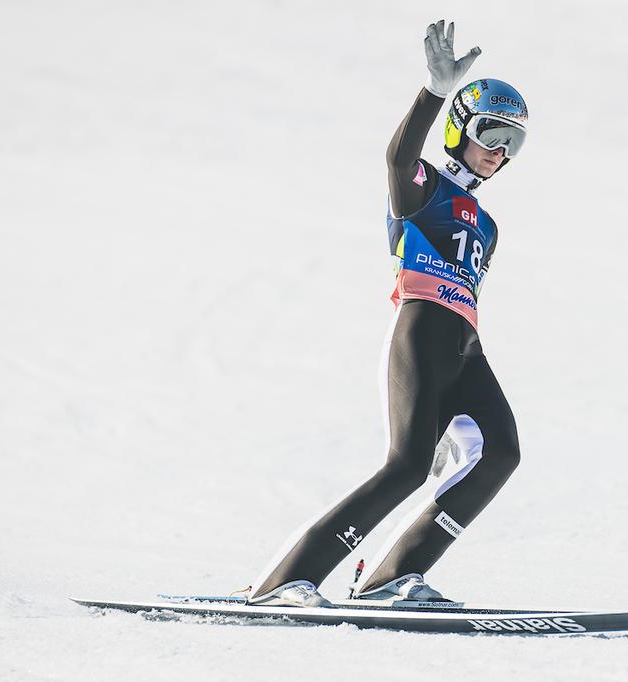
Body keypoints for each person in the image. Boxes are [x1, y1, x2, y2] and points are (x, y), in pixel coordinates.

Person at [246, 19, 528, 607]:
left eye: (514, 143)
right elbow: (398, 159)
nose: (500, 152)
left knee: (500, 451)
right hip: (421, 332)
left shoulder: (489, 225)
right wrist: (432, 91)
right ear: (459, 131)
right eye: (492, 134)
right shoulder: (425, 189)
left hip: (464, 345)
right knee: (406, 465)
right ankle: (285, 581)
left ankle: (393, 576)